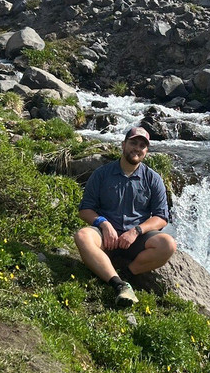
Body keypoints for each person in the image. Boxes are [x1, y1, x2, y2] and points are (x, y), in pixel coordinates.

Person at [74, 126, 177, 306]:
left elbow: (161, 217)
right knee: (82, 236)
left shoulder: (153, 179)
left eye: (142, 146)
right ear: (123, 145)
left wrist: (136, 231)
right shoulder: (101, 174)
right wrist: (104, 224)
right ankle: (118, 284)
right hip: (105, 237)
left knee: (168, 244)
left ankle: (127, 274)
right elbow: (85, 210)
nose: (137, 148)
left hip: (137, 239)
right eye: (133, 143)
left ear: (146, 151)